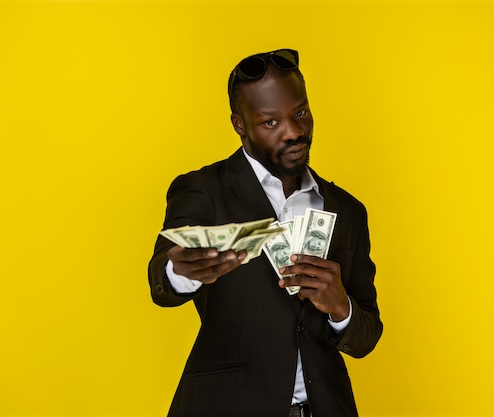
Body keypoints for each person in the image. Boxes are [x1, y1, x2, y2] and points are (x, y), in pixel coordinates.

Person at [148, 48, 383, 417]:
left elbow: (366, 335)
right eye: (270, 123)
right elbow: (161, 282)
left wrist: (342, 307)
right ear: (240, 125)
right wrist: (182, 271)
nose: (294, 132)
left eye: (300, 113)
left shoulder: (347, 210)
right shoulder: (203, 190)